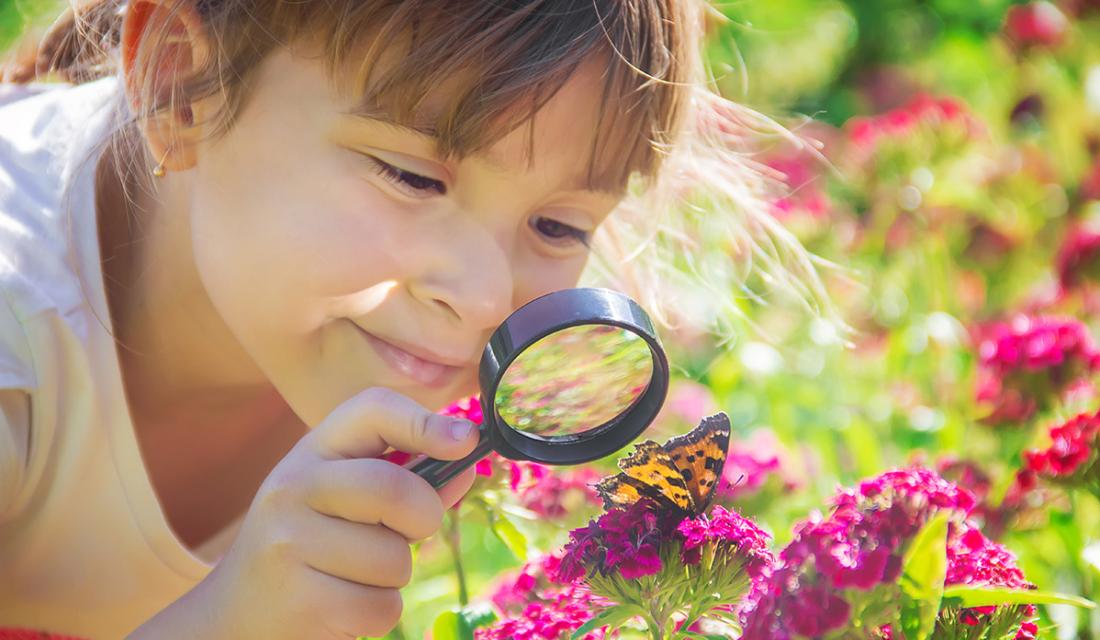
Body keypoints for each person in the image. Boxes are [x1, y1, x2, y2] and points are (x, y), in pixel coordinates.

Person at [0, 0, 829, 637]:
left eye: (559, 227)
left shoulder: (366, 350)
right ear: (182, 87)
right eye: (411, 178)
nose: (480, 299)